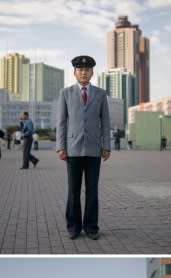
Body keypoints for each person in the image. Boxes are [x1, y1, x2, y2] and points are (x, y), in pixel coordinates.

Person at [56, 55, 111, 240]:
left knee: (92, 190)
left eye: (87, 70)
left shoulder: (100, 94)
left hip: (95, 149)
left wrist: (107, 146)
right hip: (72, 149)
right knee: (73, 190)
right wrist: (60, 147)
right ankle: (73, 226)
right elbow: (61, 122)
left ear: (92, 72)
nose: (84, 72)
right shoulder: (66, 93)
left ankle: (91, 227)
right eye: (80, 69)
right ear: (74, 73)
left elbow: (106, 122)